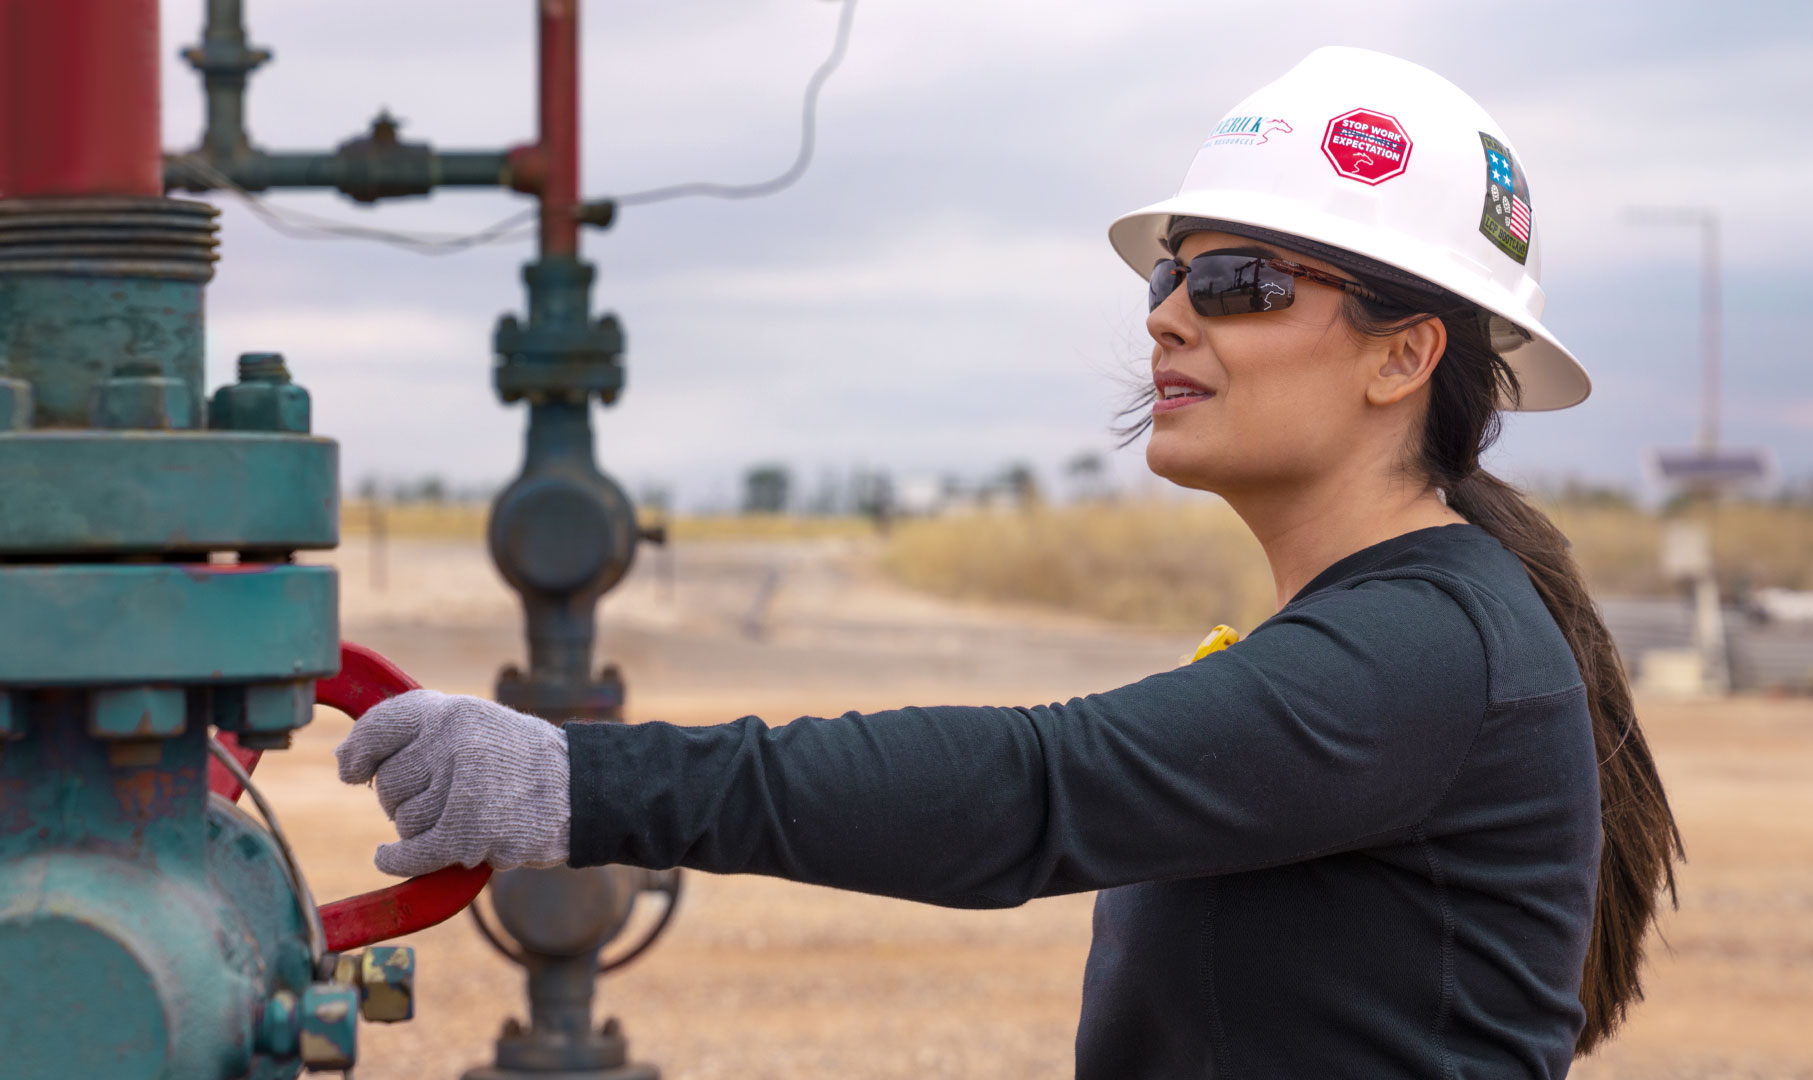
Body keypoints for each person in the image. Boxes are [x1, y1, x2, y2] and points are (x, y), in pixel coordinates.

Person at [337, 46, 1681, 1079]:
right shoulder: (1400, 637)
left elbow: (1035, 786)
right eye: (1170, 274)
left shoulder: (1426, 658)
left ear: (1406, 354)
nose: (1166, 317)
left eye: (1241, 284)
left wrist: (574, 782)